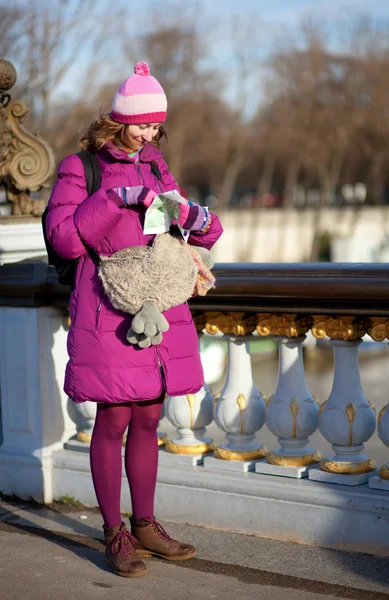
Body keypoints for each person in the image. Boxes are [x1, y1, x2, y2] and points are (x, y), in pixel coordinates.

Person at [46, 62, 223, 578]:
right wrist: (113, 198)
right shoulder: (81, 168)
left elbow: (190, 228)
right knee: (115, 419)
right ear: (118, 120)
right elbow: (63, 239)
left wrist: (188, 215)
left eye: (154, 127)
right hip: (107, 310)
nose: (148, 134)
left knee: (149, 417)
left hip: (159, 308)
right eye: (141, 125)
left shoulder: (156, 165)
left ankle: (144, 524)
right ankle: (113, 532)